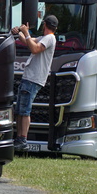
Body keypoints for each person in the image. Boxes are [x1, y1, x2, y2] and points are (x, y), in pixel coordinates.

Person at [11, 15, 58, 151]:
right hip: (29, 77)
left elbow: (35, 49)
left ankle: (22, 139)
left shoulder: (50, 38)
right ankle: (19, 138)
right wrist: (19, 33)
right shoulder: (45, 38)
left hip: (34, 78)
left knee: (25, 110)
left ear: (44, 25)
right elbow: (28, 42)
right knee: (20, 110)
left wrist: (26, 32)